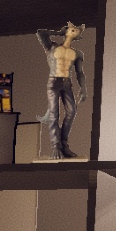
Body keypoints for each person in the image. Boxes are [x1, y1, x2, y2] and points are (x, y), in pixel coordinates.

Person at [35, 22, 87, 159]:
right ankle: (55, 146)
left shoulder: (77, 53)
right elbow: (40, 32)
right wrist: (58, 32)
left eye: (76, 31)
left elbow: (80, 73)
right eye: (72, 29)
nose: (74, 31)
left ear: (78, 36)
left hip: (67, 83)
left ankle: (64, 145)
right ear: (67, 31)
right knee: (54, 114)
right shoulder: (52, 47)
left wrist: (83, 88)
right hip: (54, 81)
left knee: (72, 112)